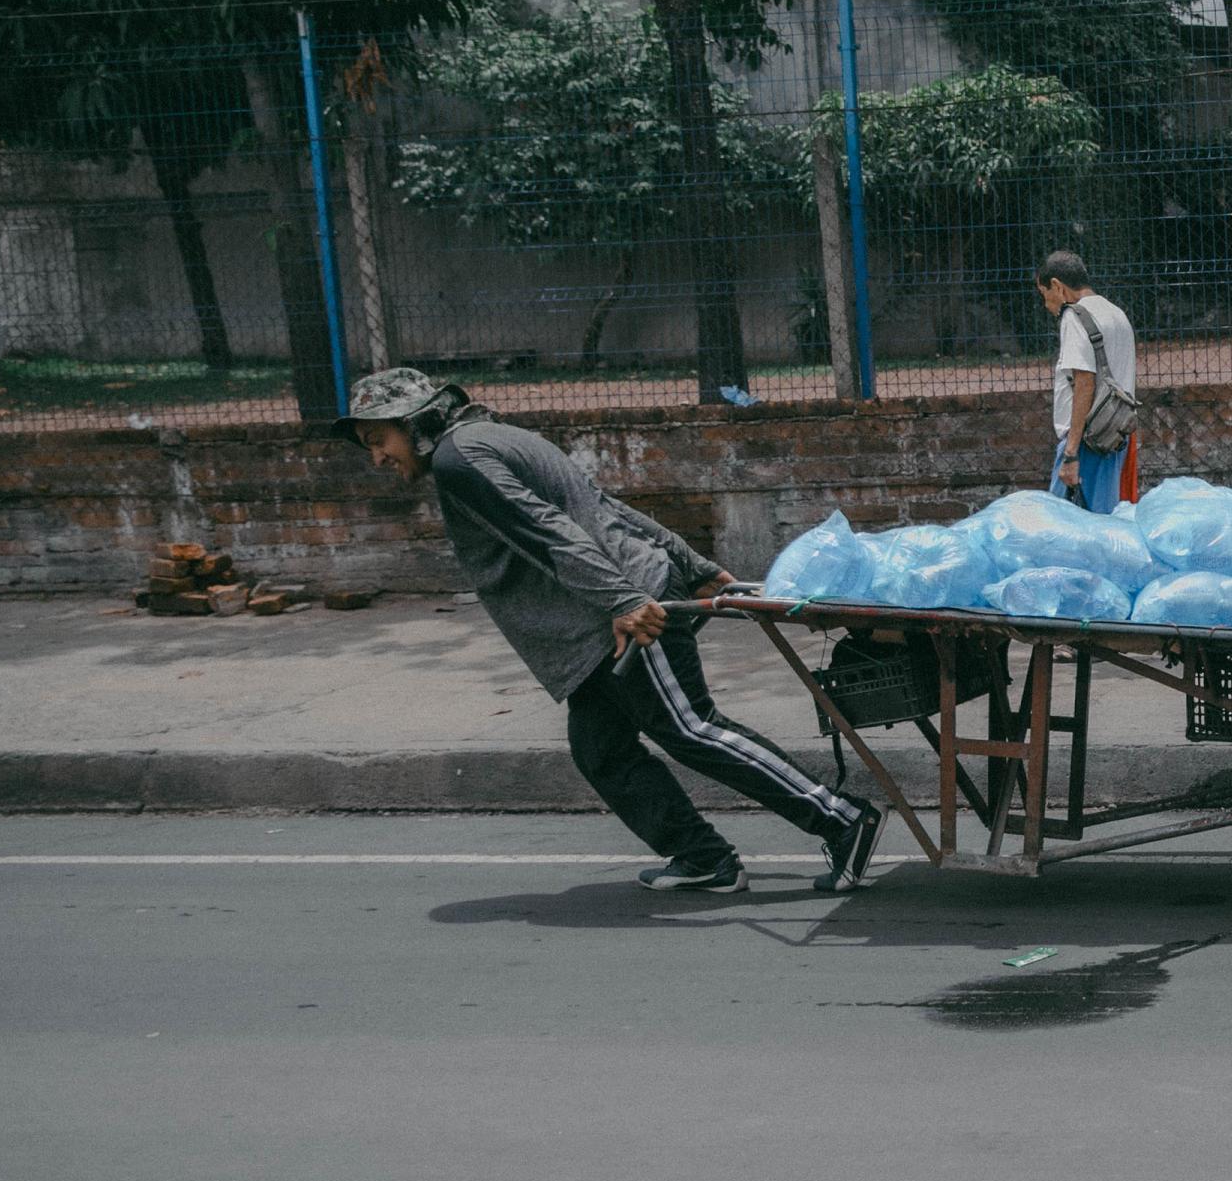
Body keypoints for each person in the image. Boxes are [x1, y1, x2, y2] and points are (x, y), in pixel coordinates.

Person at [340, 368, 884, 896]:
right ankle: (703, 858)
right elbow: (601, 506)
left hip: (623, 611)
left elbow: (551, 530)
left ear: (416, 422)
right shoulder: (488, 440)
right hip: (601, 620)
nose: (377, 456)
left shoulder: (461, 460)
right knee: (599, 748)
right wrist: (690, 564)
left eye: (379, 439)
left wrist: (626, 600)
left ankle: (841, 819)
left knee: (691, 729)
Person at [1038, 250, 1139, 513]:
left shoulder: (1074, 316)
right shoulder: (1116, 313)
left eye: (1044, 294)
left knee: (1061, 527)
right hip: (1114, 437)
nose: (1046, 304)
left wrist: (1071, 453)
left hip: (1086, 442)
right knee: (1104, 523)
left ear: (1057, 286)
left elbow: (1084, 381)